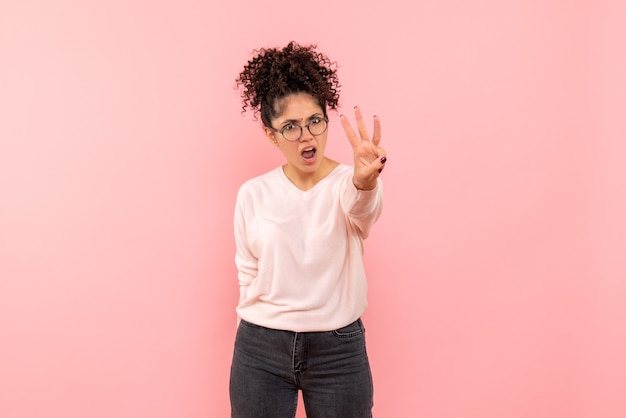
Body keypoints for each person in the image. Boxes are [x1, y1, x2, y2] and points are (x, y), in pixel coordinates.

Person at [229, 41, 387, 418]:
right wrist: (249, 339)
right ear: (271, 134)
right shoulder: (253, 194)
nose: (307, 136)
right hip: (260, 347)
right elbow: (247, 271)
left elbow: (364, 211)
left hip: (338, 348)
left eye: (315, 121)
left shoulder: (348, 183)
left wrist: (366, 182)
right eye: (291, 127)